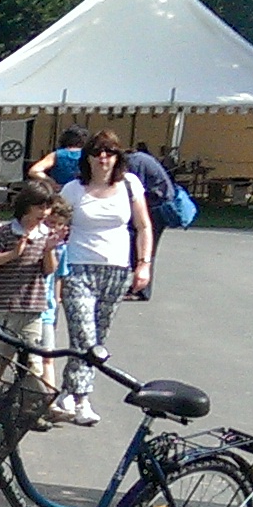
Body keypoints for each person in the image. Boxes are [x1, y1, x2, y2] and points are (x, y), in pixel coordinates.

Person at [52, 129, 152, 425]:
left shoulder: (130, 185)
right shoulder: (73, 189)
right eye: (97, 153)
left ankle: (68, 392)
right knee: (84, 334)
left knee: (97, 338)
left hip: (116, 269)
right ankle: (82, 399)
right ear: (88, 158)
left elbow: (144, 226)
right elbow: (55, 220)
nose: (103, 158)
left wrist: (143, 264)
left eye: (109, 152)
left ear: (118, 157)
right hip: (79, 267)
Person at [0, 179, 67, 351]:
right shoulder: (7, 232)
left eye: (47, 208)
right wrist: (13, 254)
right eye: (39, 207)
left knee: (33, 359)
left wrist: (49, 250)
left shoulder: (46, 235)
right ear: (26, 206)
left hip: (33, 308)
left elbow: (49, 270)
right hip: (3, 307)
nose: (45, 212)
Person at [120, 143, 179, 301]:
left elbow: (135, 189)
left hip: (157, 208)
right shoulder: (142, 159)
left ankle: (141, 290)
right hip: (158, 203)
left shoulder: (135, 163)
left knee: (146, 248)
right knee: (143, 246)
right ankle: (137, 286)